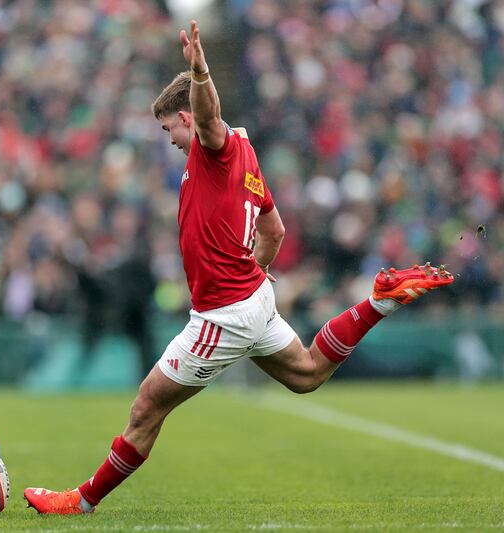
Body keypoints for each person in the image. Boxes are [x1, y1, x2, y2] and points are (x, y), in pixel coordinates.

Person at [23, 20, 454, 514]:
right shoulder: (247, 154)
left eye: (169, 129)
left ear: (184, 118)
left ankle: (80, 502)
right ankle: (378, 299)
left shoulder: (217, 147)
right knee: (308, 374)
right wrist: (254, 271)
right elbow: (275, 232)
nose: (169, 141)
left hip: (222, 314)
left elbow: (209, 118)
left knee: (146, 407)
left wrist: (201, 71)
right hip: (251, 299)